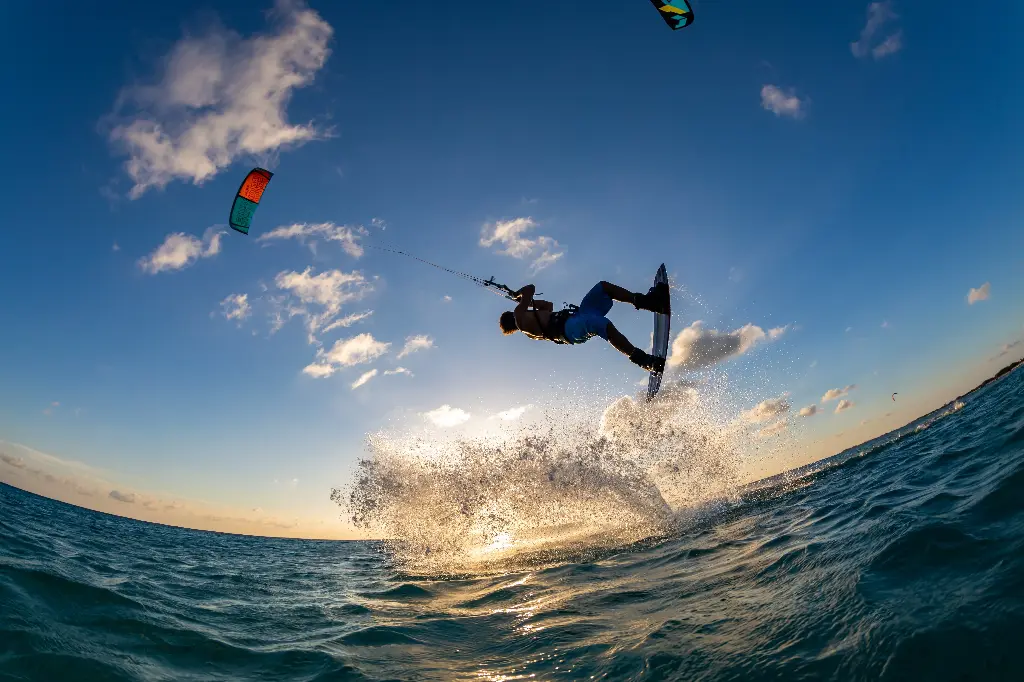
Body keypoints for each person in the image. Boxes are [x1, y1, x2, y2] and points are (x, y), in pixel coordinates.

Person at [499, 280, 669, 372]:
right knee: (602, 324)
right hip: (570, 329)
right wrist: (517, 295)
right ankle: (644, 361)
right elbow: (530, 288)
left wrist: (526, 301)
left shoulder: (526, 319)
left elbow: (548, 306)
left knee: (603, 287)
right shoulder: (520, 317)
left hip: (576, 318)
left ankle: (650, 303)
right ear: (511, 316)